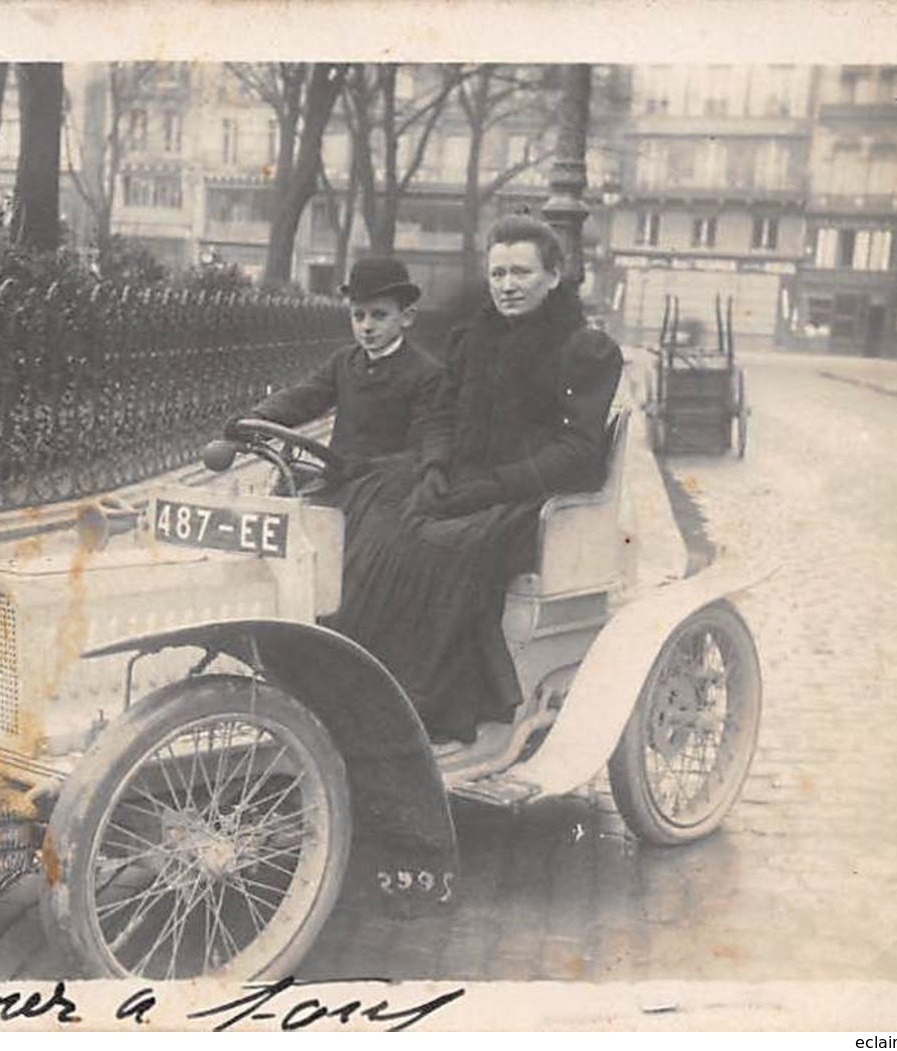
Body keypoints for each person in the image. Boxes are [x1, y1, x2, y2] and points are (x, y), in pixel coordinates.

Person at [325, 216, 624, 742]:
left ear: (554, 276)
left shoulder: (583, 350)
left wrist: (492, 486)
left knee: (434, 545)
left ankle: (424, 702)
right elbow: (441, 415)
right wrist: (437, 464)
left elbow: (577, 454)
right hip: (464, 479)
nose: (507, 285)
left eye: (522, 273)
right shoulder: (472, 339)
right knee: (369, 513)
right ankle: (353, 681)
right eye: (499, 273)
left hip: (529, 497)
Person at [239, 257, 444, 473]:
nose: (367, 326)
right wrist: (257, 419)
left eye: (379, 315)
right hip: (338, 480)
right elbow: (305, 397)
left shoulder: (426, 374)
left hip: (388, 487)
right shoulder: (345, 362)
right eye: (358, 315)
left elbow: (422, 448)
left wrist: (367, 467)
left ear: (407, 317)